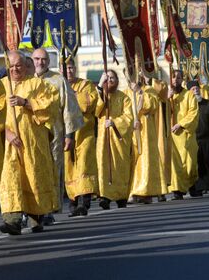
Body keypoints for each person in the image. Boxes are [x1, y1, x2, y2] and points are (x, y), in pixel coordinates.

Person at [0, 51, 59, 234]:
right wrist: (7, 132)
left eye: (19, 65)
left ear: (25, 66)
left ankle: (36, 216)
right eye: (12, 65)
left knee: (32, 177)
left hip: (32, 142)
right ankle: (13, 219)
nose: (15, 69)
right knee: (11, 178)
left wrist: (25, 102)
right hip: (10, 143)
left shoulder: (37, 83)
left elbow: (51, 105)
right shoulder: (1, 86)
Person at [32, 48, 83, 224]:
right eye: (37, 59)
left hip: (53, 134)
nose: (40, 62)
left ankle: (48, 209)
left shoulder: (58, 80)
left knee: (53, 169)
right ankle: (31, 210)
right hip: (30, 134)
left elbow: (69, 108)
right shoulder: (26, 80)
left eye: (44, 59)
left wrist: (69, 134)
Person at [64, 58, 99, 216]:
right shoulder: (60, 85)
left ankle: (84, 202)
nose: (69, 71)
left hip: (84, 133)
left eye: (71, 68)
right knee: (69, 167)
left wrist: (71, 95)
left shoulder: (86, 84)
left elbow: (88, 104)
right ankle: (73, 201)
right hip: (66, 133)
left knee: (84, 165)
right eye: (66, 68)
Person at [95, 70, 133, 209]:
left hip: (119, 138)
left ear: (117, 80)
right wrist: (100, 86)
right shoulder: (101, 95)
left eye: (112, 78)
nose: (110, 80)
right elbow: (96, 109)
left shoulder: (124, 97)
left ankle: (121, 195)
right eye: (107, 78)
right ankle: (105, 196)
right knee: (104, 165)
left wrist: (115, 122)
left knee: (119, 165)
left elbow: (129, 117)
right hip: (103, 138)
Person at [127, 74, 167, 203]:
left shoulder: (149, 90)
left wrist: (139, 91)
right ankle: (132, 191)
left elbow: (152, 105)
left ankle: (146, 191)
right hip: (131, 131)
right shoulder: (125, 92)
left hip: (146, 132)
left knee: (145, 160)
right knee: (132, 160)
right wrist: (131, 121)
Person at [167, 70, 199, 200]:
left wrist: (180, 124)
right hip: (172, 137)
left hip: (186, 134)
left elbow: (193, 113)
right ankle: (177, 190)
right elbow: (160, 113)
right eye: (173, 78)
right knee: (176, 164)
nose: (176, 80)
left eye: (178, 78)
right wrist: (166, 99)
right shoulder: (167, 96)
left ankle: (191, 185)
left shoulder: (189, 95)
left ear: (182, 80)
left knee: (190, 163)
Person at [188, 80, 209, 195]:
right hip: (193, 140)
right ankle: (197, 188)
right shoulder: (186, 106)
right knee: (197, 164)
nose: (196, 90)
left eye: (197, 88)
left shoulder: (208, 104)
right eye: (193, 89)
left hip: (207, 139)